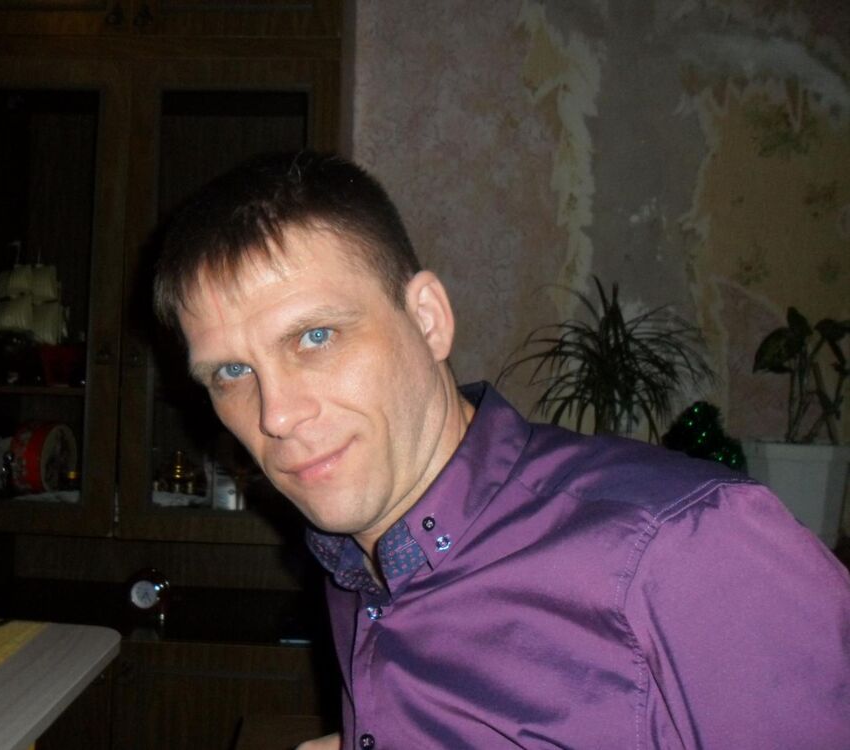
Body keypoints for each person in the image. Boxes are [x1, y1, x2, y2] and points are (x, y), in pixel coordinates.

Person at [153, 150, 850, 750]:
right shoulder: (353, 563)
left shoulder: (686, 546)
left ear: (428, 320)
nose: (276, 415)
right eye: (231, 372)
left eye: (315, 337)